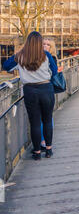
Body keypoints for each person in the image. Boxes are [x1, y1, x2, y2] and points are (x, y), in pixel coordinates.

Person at [3, 31, 57, 160]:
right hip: (46, 89)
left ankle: (37, 152)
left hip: (30, 91)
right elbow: (54, 72)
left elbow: (6, 66)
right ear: (39, 43)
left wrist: (18, 56)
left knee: (35, 123)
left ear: (27, 43)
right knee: (47, 120)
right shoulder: (46, 55)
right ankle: (48, 150)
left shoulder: (20, 57)